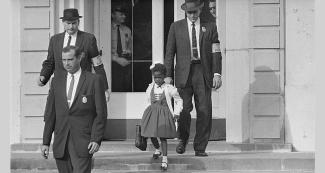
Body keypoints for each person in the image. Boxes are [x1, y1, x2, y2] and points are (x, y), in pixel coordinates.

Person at [164, 0, 222, 157]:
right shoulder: (176, 27)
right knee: (183, 110)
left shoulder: (210, 26)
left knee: (204, 110)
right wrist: (168, 76)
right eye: (189, 13)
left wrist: (217, 73)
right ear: (185, 12)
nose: (192, 15)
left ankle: (200, 147)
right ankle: (182, 140)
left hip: (203, 72)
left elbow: (216, 52)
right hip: (183, 74)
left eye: (195, 12)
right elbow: (169, 53)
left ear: (200, 10)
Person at [41, 46, 107, 173]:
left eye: (70, 59)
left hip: (83, 141)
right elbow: (50, 114)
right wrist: (46, 141)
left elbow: (101, 114)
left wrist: (96, 138)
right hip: (61, 141)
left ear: (79, 57)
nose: (66, 63)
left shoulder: (94, 80)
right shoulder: (56, 81)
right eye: (64, 60)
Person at [37, 8, 109, 100]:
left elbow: (98, 65)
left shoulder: (88, 39)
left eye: (74, 23)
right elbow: (50, 62)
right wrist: (43, 76)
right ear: (63, 23)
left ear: (78, 22)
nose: (71, 27)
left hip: (82, 87)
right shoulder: (55, 40)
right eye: (68, 23)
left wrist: (104, 88)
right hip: (60, 87)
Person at [140, 63, 183, 170]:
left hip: (164, 114)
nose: (157, 80)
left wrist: (177, 112)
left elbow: (179, 100)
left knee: (163, 137)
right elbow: (148, 101)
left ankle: (165, 158)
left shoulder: (169, 88)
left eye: (159, 77)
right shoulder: (150, 88)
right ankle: (157, 148)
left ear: (164, 76)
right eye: (155, 77)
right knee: (151, 133)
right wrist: (146, 114)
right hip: (152, 113)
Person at [111, 5, 132, 92]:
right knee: (115, 87)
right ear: (113, 15)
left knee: (126, 87)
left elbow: (130, 46)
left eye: (124, 14)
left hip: (125, 63)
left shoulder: (127, 30)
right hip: (112, 64)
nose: (124, 16)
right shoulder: (107, 29)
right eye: (121, 14)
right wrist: (116, 59)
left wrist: (129, 52)